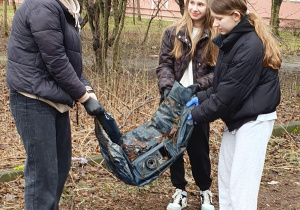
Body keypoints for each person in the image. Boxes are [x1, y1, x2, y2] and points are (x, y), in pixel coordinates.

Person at [6, 0, 104, 209]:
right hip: (33, 98)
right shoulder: (43, 5)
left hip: (53, 98)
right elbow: (56, 60)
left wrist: (88, 90)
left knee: (59, 168)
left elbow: (70, 62)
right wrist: (83, 98)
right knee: (43, 174)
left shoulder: (67, 7)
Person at [186, 0, 281, 209]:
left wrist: (195, 114)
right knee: (227, 182)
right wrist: (197, 99)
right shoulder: (231, 41)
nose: (215, 23)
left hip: (254, 121)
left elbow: (227, 97)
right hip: (238, 118)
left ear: (236, 16)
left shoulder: (250, 46)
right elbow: (223, 87)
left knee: (242, 189)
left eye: (219, 19)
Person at [156, 0, 218, 209]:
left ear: (208, 7)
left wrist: (198, 86)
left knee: (199, 149)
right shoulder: (173, 32)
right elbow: (164, 63)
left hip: (198, 99)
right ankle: (179, 191)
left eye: (201, 4)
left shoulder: (215, 35)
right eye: (192, 2)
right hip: (173, 99)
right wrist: (167, 88)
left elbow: (217, 72)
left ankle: (205, 191)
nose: (195, 8)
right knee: (173, 147)